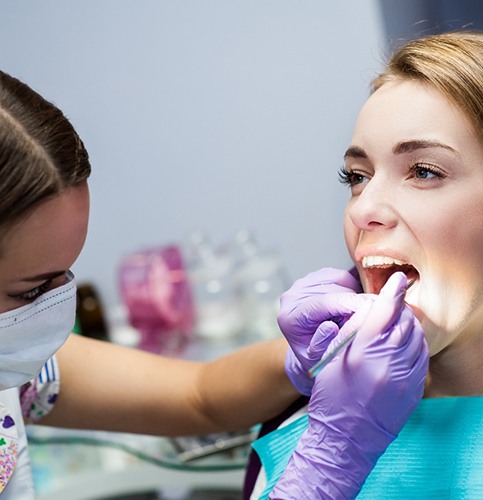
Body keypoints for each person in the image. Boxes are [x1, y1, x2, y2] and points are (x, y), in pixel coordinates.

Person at [0, 67, 427, 498]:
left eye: (425, 172)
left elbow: (198, 397)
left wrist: (307, 355)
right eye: (30, 292)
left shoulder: (16, 370)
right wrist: (330, 461)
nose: (362, 211)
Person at [250, 30, 483, 498]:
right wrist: (330, 452)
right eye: (357, 177)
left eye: (424, 172)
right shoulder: (315, 432)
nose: (362, 211)